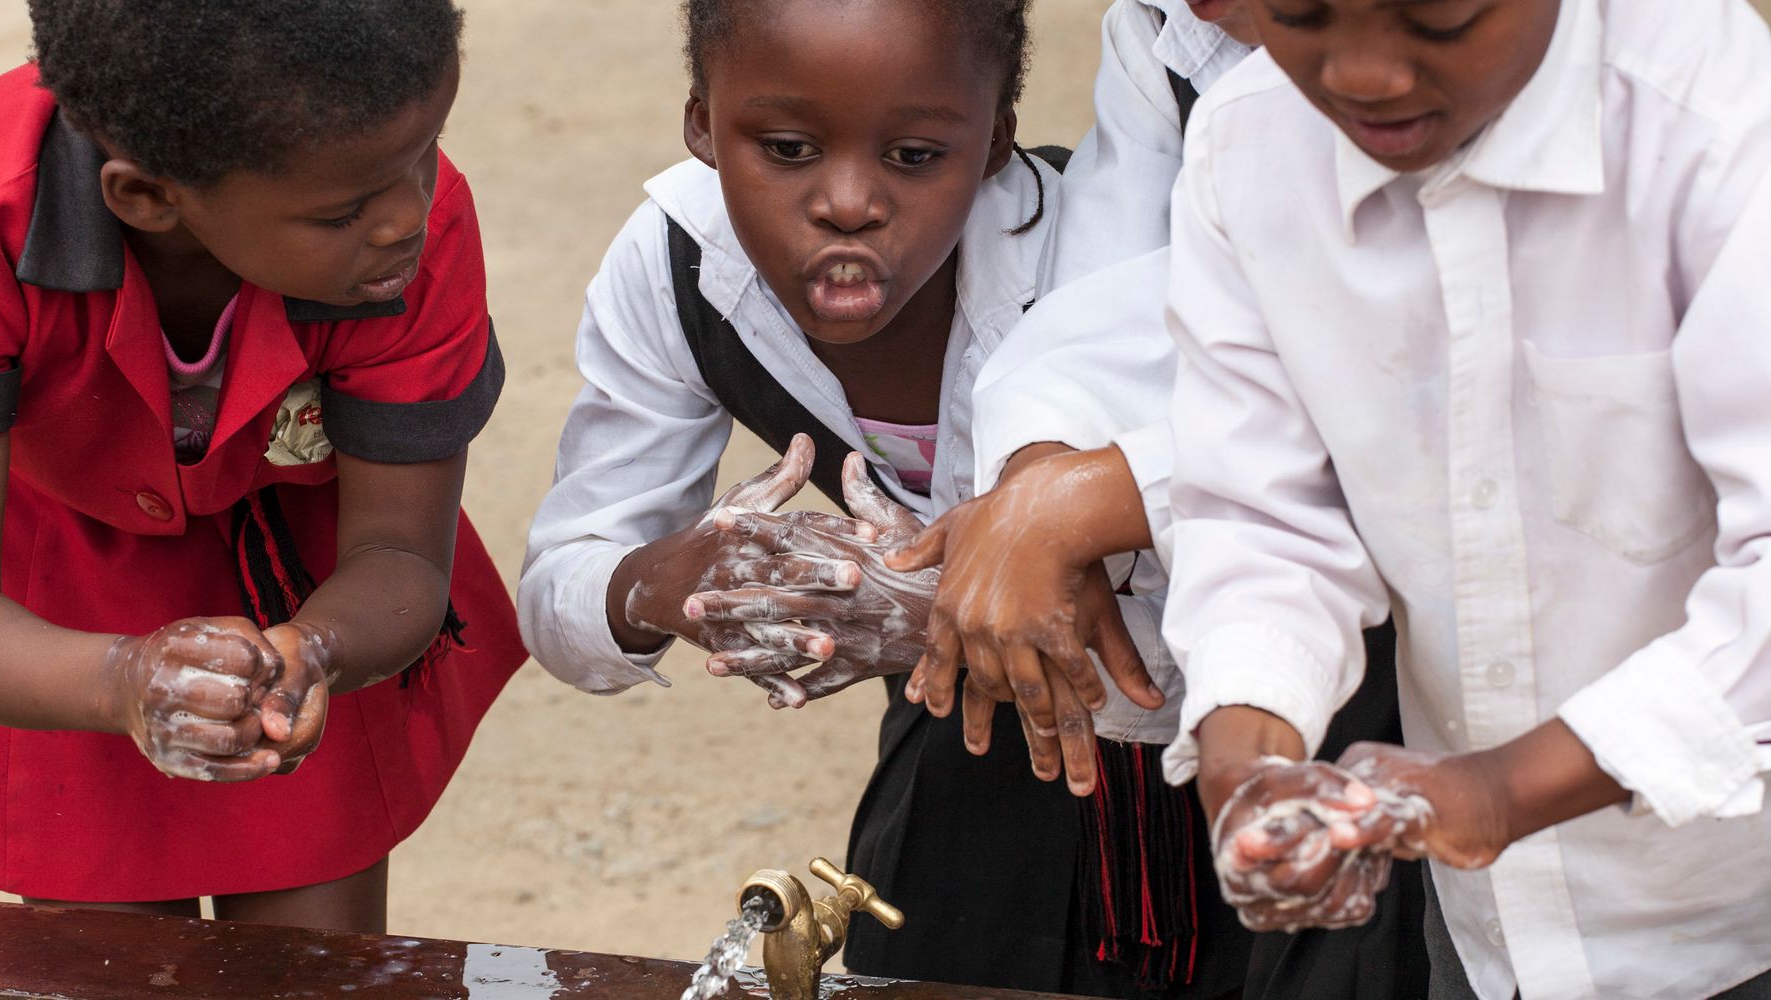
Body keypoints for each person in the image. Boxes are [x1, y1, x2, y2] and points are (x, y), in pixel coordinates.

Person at [520, 1, 1250, 994]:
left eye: (913, 155)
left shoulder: (1090, 270)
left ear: (992, 138)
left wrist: (909, 606)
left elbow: (1226, 571)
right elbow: (563, 585)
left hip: (1229, 750)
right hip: (973, 761)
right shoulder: (677, 273)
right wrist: (678, 580)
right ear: (699, 121)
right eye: (785, 147)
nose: (848, 201)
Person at [1147, 0, 1771, 997]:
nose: (1364, 75)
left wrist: (1499, 790)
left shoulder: (1718, 119)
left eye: (1436, 16)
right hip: (1491, 941)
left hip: (1738, 919)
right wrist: (1249, 756)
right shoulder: (1245, 145)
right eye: (1300, 13)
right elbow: (1263, 520)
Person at [0, 0, 524, 932]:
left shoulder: (401, 226)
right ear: (145, 197)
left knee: (313, 968)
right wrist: (124, 678)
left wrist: (319, 651)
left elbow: (400, 561)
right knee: (114, 958)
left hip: (301, 577)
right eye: (344, 210)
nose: (410, 216)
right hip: (43, 611)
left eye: (428, 149)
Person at [887, 1, 1427, 997]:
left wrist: (1091, 495)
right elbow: (1131, 318)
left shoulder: (1664, 119)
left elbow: (1396, 383)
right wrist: (1040, 477)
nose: (1201, 8)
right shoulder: (1223, 78)